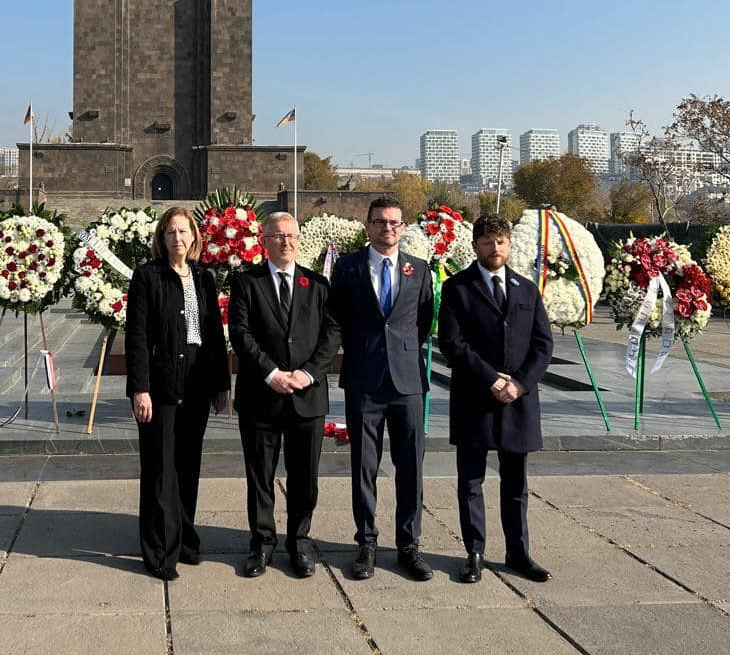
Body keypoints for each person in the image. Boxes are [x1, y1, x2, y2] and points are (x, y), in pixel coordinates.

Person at [437, 213, 554, 584]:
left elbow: (542, 344)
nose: (494, 248)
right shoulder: (458, 287)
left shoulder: (526, 289)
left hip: (518, 401)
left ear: (509, 244)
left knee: (515, 484)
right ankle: (474, 553)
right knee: (471, 482)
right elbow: (452, 343)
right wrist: (490, 379)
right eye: (487, 242)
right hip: (475, 398)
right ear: (475, 245)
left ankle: (518, 553)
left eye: (500, 241)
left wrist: (520, 383)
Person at [228, 212, 340, 578]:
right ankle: (261, 544)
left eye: (291, 235)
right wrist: (271, 373)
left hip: (307, 397)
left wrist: (307, 373)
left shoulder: (318, 284)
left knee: (304, 477)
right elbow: (240, 333)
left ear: (299, 240)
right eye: (277, 235)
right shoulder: (247, 283)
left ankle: (299, 542)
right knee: (260, 476)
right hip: (261, 396)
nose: (286, 242)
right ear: (264, 241)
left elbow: (331, 334)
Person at [329, 196, 434, 581]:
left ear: (402, 227)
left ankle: (408, 545)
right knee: (364, 466)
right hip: (364, 379)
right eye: (379, 222)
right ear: (367, 225)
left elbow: (423, 320)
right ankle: (367, 544)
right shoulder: (348, 268)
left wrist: (400, 352)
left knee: (411, 467)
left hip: (407, 382)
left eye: (393, 222)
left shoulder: (419, 269)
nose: (386, 228)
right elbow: (337, 316)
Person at [126, 206, 231, 581]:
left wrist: (222, 383)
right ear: (162, 237)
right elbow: (137, 336)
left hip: (197, 380)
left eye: (184, 231)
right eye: (171, 232)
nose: (178, 238)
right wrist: (140, 388)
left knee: (188, 464)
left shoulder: (203, 277)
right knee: (160, 467)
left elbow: (215, 334)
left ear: (194, 237)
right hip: (162, 381)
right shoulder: (148, 276)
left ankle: (184, 538)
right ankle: (159, 551)